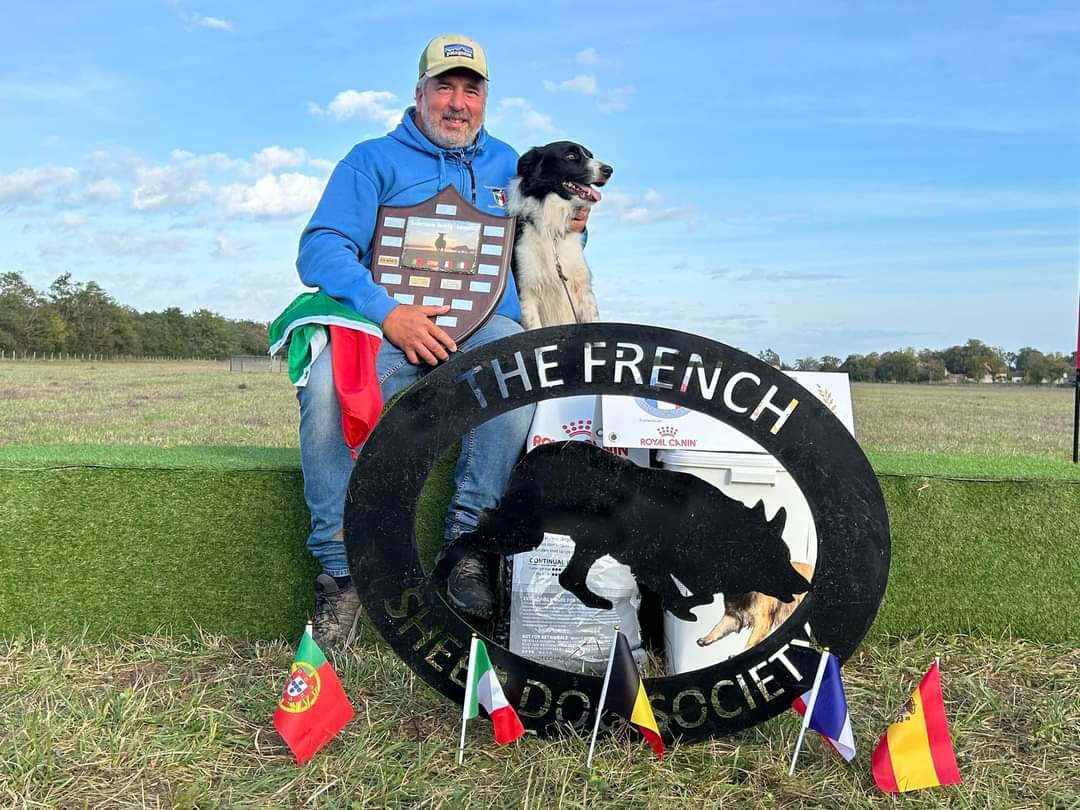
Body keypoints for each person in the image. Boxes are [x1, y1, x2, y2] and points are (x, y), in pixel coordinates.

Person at [294, 33, 588, 649]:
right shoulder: (371, 159)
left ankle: (466, 553)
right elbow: (321, 246)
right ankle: (341, 574)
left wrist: (574, 223)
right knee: (325, 388)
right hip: (394, 326)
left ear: (485, 98)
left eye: (470, 90)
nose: (457, 103)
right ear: (419, 93)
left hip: (485, 326)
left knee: (517, 370)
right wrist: (387, 312)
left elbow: (547, 247)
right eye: (444, 88)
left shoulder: (512, 162)